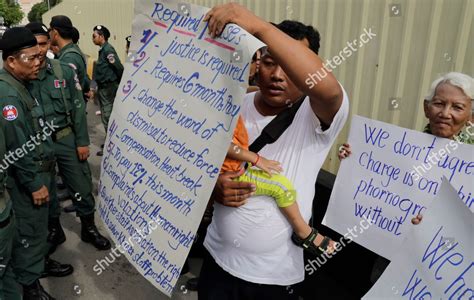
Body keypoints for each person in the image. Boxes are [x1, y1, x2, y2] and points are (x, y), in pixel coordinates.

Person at [199, 4, 349, 299]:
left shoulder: (318, 115)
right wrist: (215, 188)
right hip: (216, 261)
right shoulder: (234, 106)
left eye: (288, 64)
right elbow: (205, 162)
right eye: (269, 61)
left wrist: (261, 27)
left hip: (271, 278)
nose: (278, 75)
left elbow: (328, 90)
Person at [224, 114, 336, 256]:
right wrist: (257, 159)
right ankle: (304, 232)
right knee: (281, 186)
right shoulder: (214, 109)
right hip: (234, 173)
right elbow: (222, 142)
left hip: (232, 167)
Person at [0, 26, 55, 300]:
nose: (38, 62)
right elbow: (17, 147)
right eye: (31, 58)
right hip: (24, 181)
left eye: (39, 56)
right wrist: (34, 183)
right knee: (29, 235)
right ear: (11, 60)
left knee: (36, 233)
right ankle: (30, 288)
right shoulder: (8, 96)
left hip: (38, 171)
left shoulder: (21, 85)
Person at [92, 25, 124, 156]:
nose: (92, 39)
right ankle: (111, 141)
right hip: (104, 88)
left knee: (107, 116)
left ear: (101, 36)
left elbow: (118, 67)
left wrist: (120, 83)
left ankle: (112, 145)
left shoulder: (108, 50)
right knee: (107, 116)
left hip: (109, 88)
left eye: (94, 36)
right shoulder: (103, 50)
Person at [49, 16, 91, 99]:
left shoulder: (69, 57)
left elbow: (68, 90)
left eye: (49, 30)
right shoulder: (72, 50)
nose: (49, 33)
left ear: (55, 32)